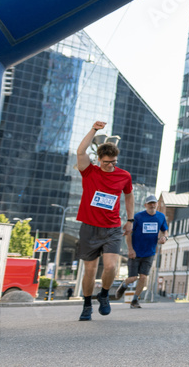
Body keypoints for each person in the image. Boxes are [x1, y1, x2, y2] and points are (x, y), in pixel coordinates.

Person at [74, 121, 134, 321]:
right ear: (99, 159)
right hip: (89, 227)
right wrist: (94, 130)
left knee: (110, 267)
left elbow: (129, 196)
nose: (111, 165)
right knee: (90, 269)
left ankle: (104, 294)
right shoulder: (89, 171)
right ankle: (86, 304)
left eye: (114, 162)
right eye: (107, 162)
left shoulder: (124, 176)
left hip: (112, 227)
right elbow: (81, 151)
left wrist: (130, 219)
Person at [117, 194, 168, 308]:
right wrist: (130, 249)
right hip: (135, 252)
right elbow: (128, 233)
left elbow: (165, 231)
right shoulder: (138, 217)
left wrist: (165, 238)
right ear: (145, 205)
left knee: (144, 277)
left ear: (157, 204)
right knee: (133, 278)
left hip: (149, 252)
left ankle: (135, 300)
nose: (152, 205)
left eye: (154, 203)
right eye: (149, 203)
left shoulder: (161, 217)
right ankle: (124, 284)